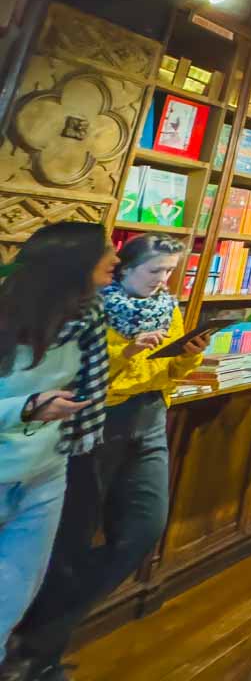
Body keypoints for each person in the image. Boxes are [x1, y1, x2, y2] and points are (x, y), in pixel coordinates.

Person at [10, 235, 208, 679]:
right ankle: (38, 655)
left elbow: (167, 374)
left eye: (169, 272)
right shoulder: (93, 312)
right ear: (123, 269)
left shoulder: (167, 308)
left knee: (145, 527)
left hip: (150, 418)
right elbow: (84, 382)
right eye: (154, 271)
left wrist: (185, 357)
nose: (163, 280)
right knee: (71, 542)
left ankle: (37, 634)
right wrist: (129, 353)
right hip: (100, 424)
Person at [0, 224, 113, 668]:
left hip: (46, 473)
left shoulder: (88, 319)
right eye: (105, 250)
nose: (116, 257)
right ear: (71, 263)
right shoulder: (8, 316)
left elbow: (88, 392)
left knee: (12, 598)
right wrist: (24, 408)